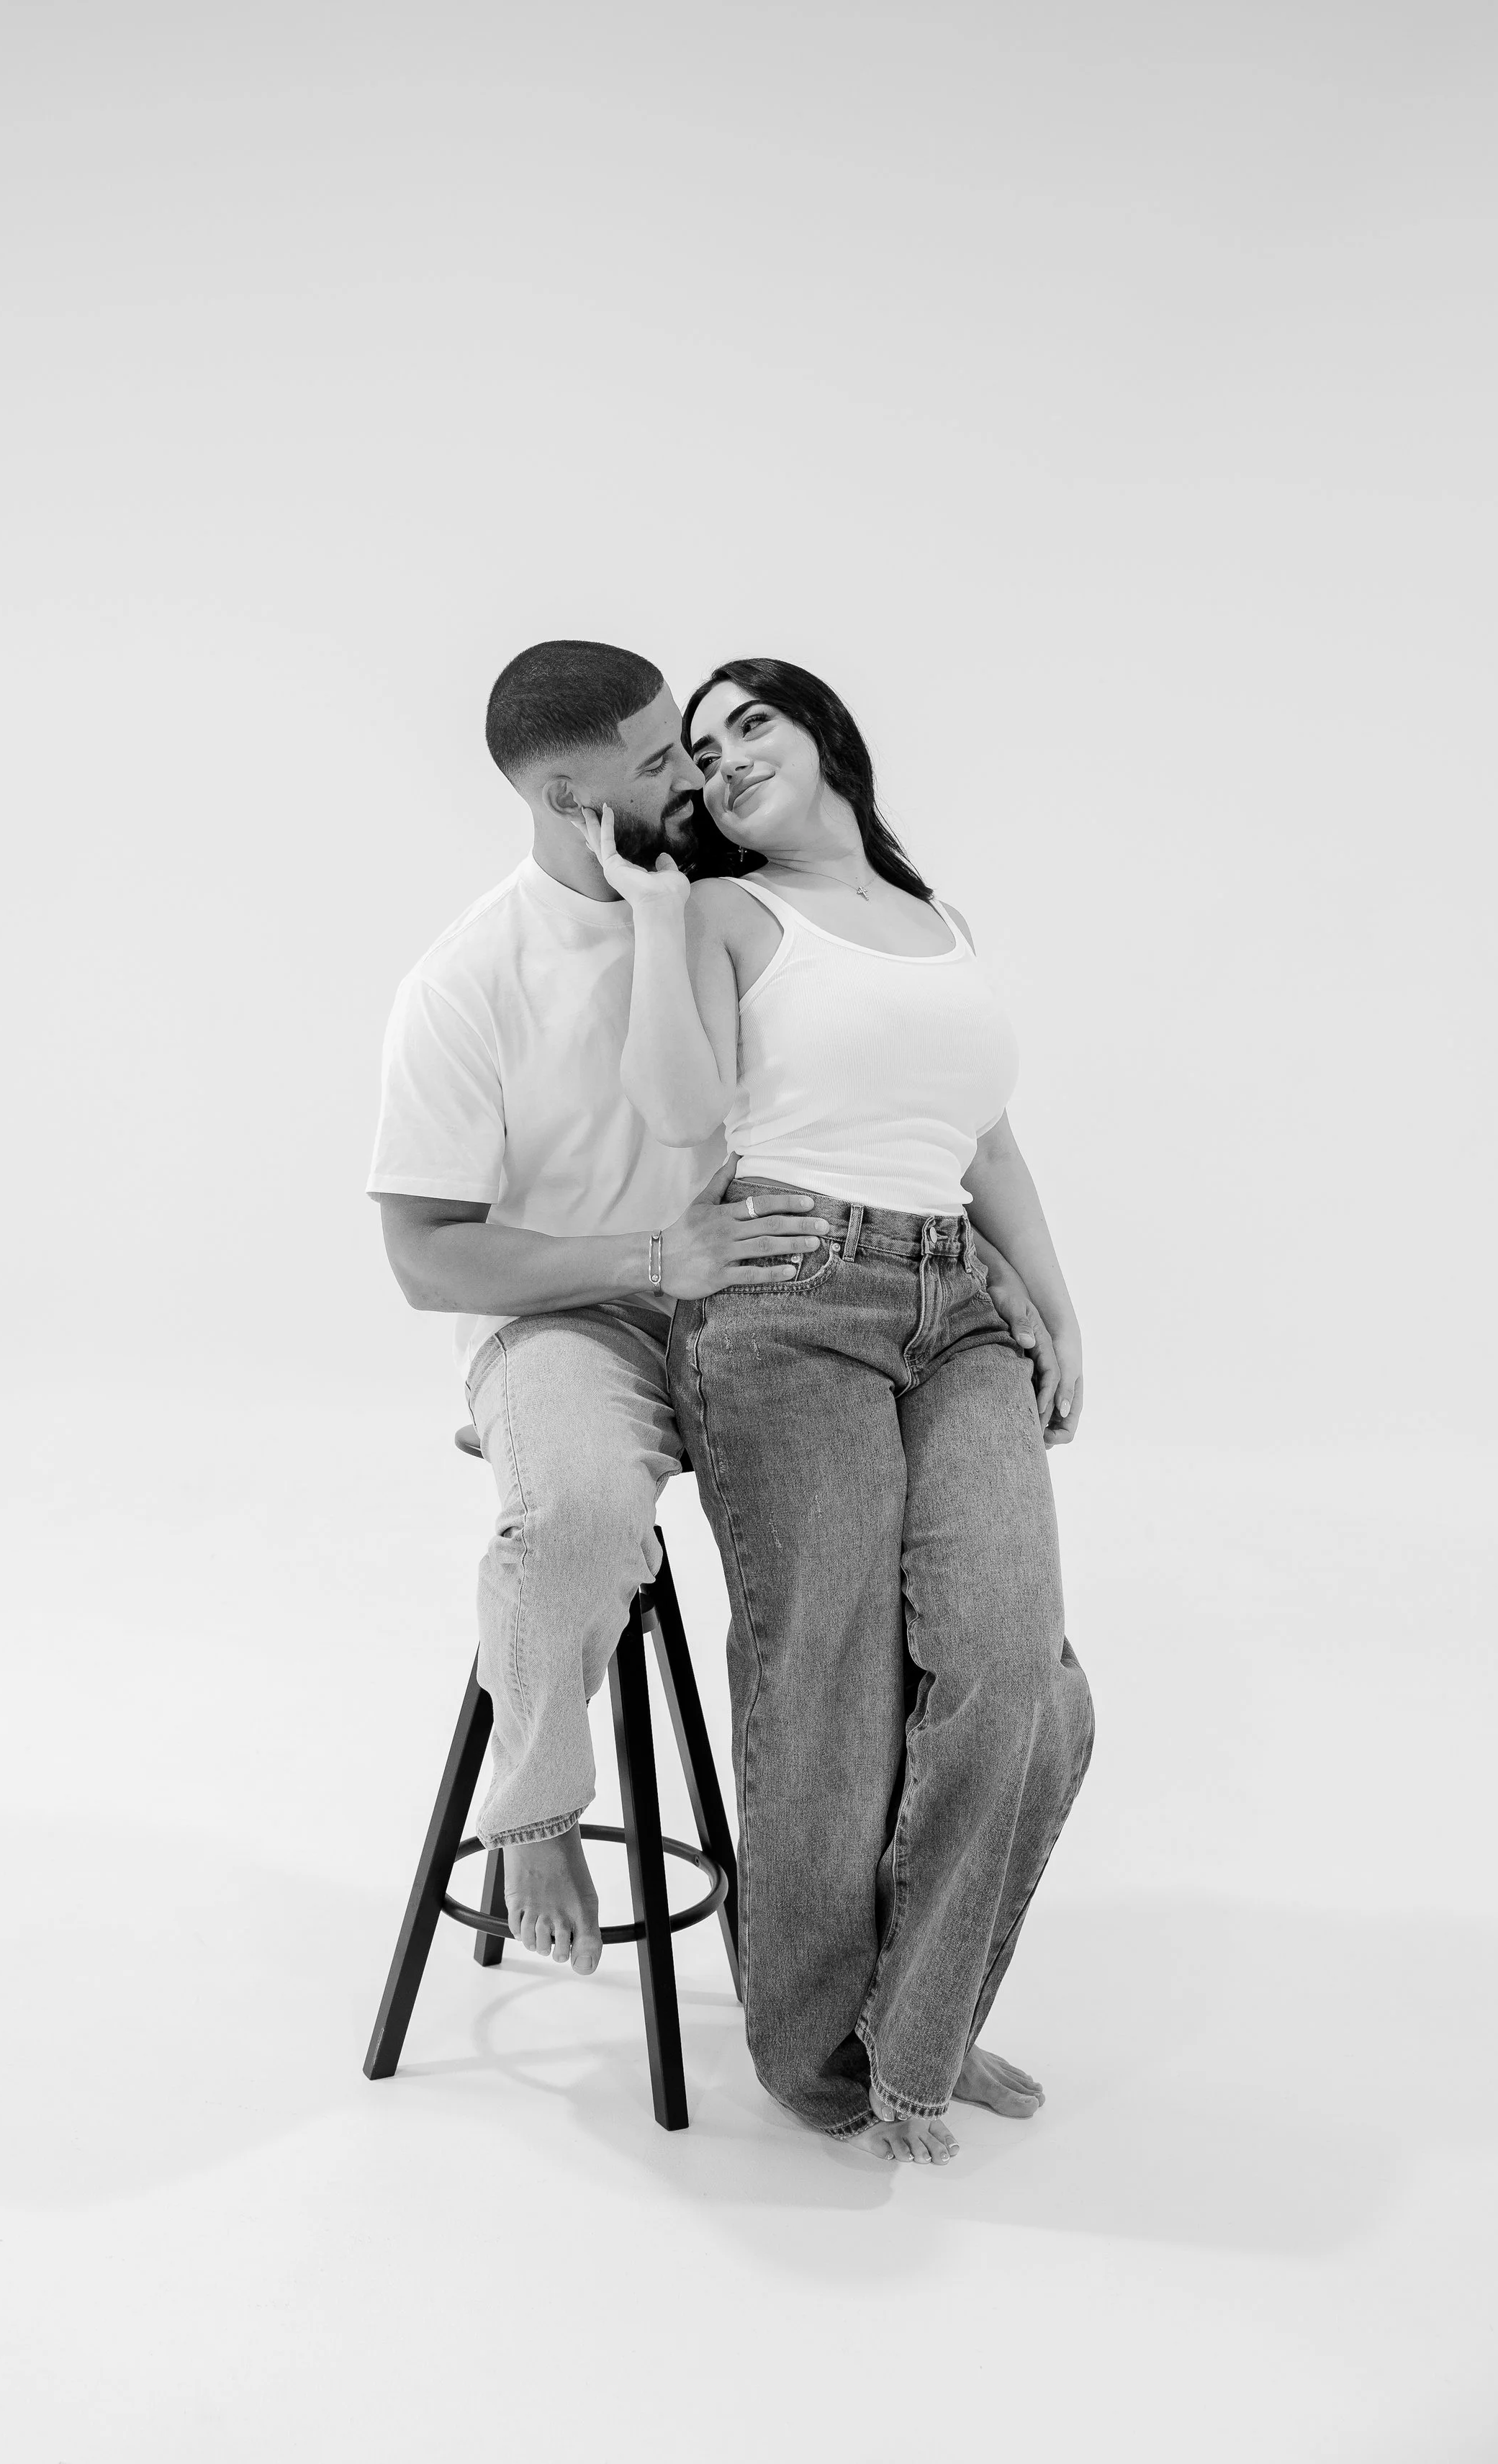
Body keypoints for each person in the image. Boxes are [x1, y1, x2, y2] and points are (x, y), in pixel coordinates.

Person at [367, 640, 1066, 2028]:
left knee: (957, 1639)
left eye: (692, 743)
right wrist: (650, 1257)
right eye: (657, 760)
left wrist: (1026, 1292)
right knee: (573, 1515)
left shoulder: (737, 898)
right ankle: (539, 1802)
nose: (693, 770)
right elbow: (421, 1255)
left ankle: (897, 2002)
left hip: (784, 1305)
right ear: (572, 800)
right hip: (582, 1322)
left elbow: (919, 1117)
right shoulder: (469, 980)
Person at [590, 656, 1094, 2164]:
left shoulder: (940, 925)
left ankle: (916, 2032)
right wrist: (662, 909)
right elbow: (680, 1114)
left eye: (752, 721)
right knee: (824, 1688)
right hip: (787, 1296)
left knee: (1018, 1672)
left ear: (822, 736)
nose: (728, 754)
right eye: (700, 747)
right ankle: (824, 2062)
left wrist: (1055, 1305)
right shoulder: (730, 915)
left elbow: (984, 1137)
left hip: (958, 1306)